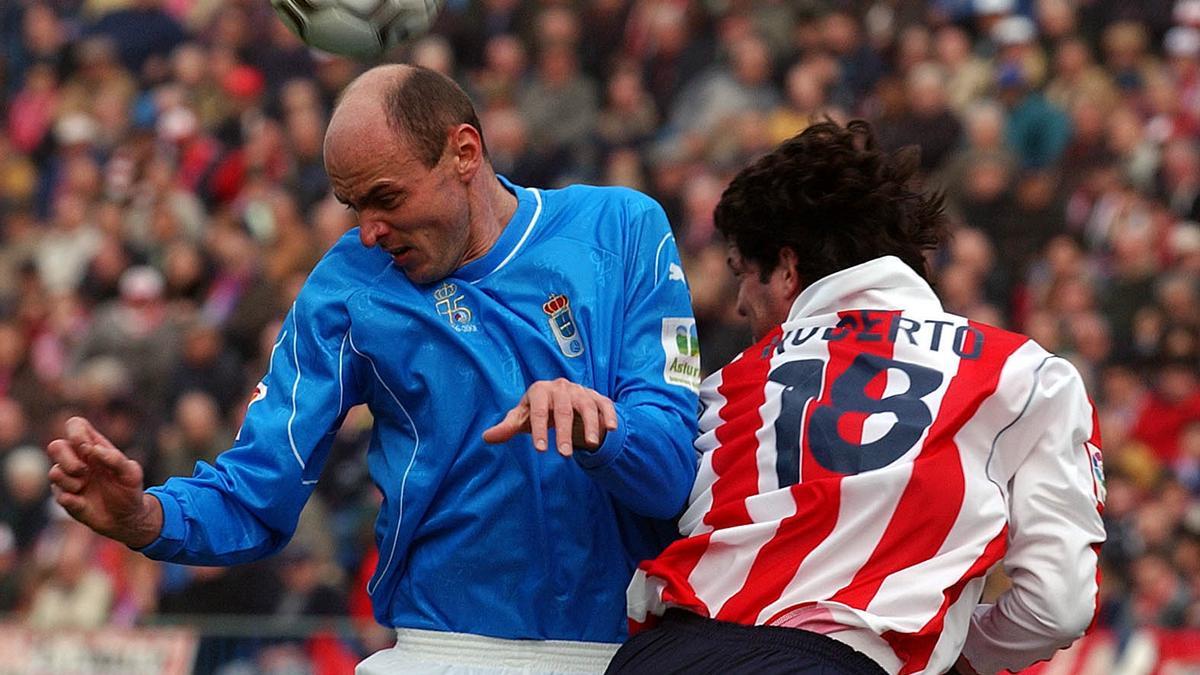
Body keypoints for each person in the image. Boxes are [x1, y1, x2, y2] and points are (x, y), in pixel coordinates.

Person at [44, 64, 701, 673]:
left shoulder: (622, 229)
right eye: (353, 205)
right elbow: (258, 490)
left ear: (463, 153)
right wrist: (146, 517)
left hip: (622, 651)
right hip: (444, 649)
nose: (369, 230)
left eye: (386, 198)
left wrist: (603, 432)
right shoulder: (347, 285)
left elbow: (673, 474)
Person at [612, 120, 1106, 675]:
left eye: (741, 275)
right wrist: (950, 652)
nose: (741, 306)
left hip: (662, 654)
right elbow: (1057, 608)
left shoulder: (733, 380)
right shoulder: (1027, 373)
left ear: (787, 269)